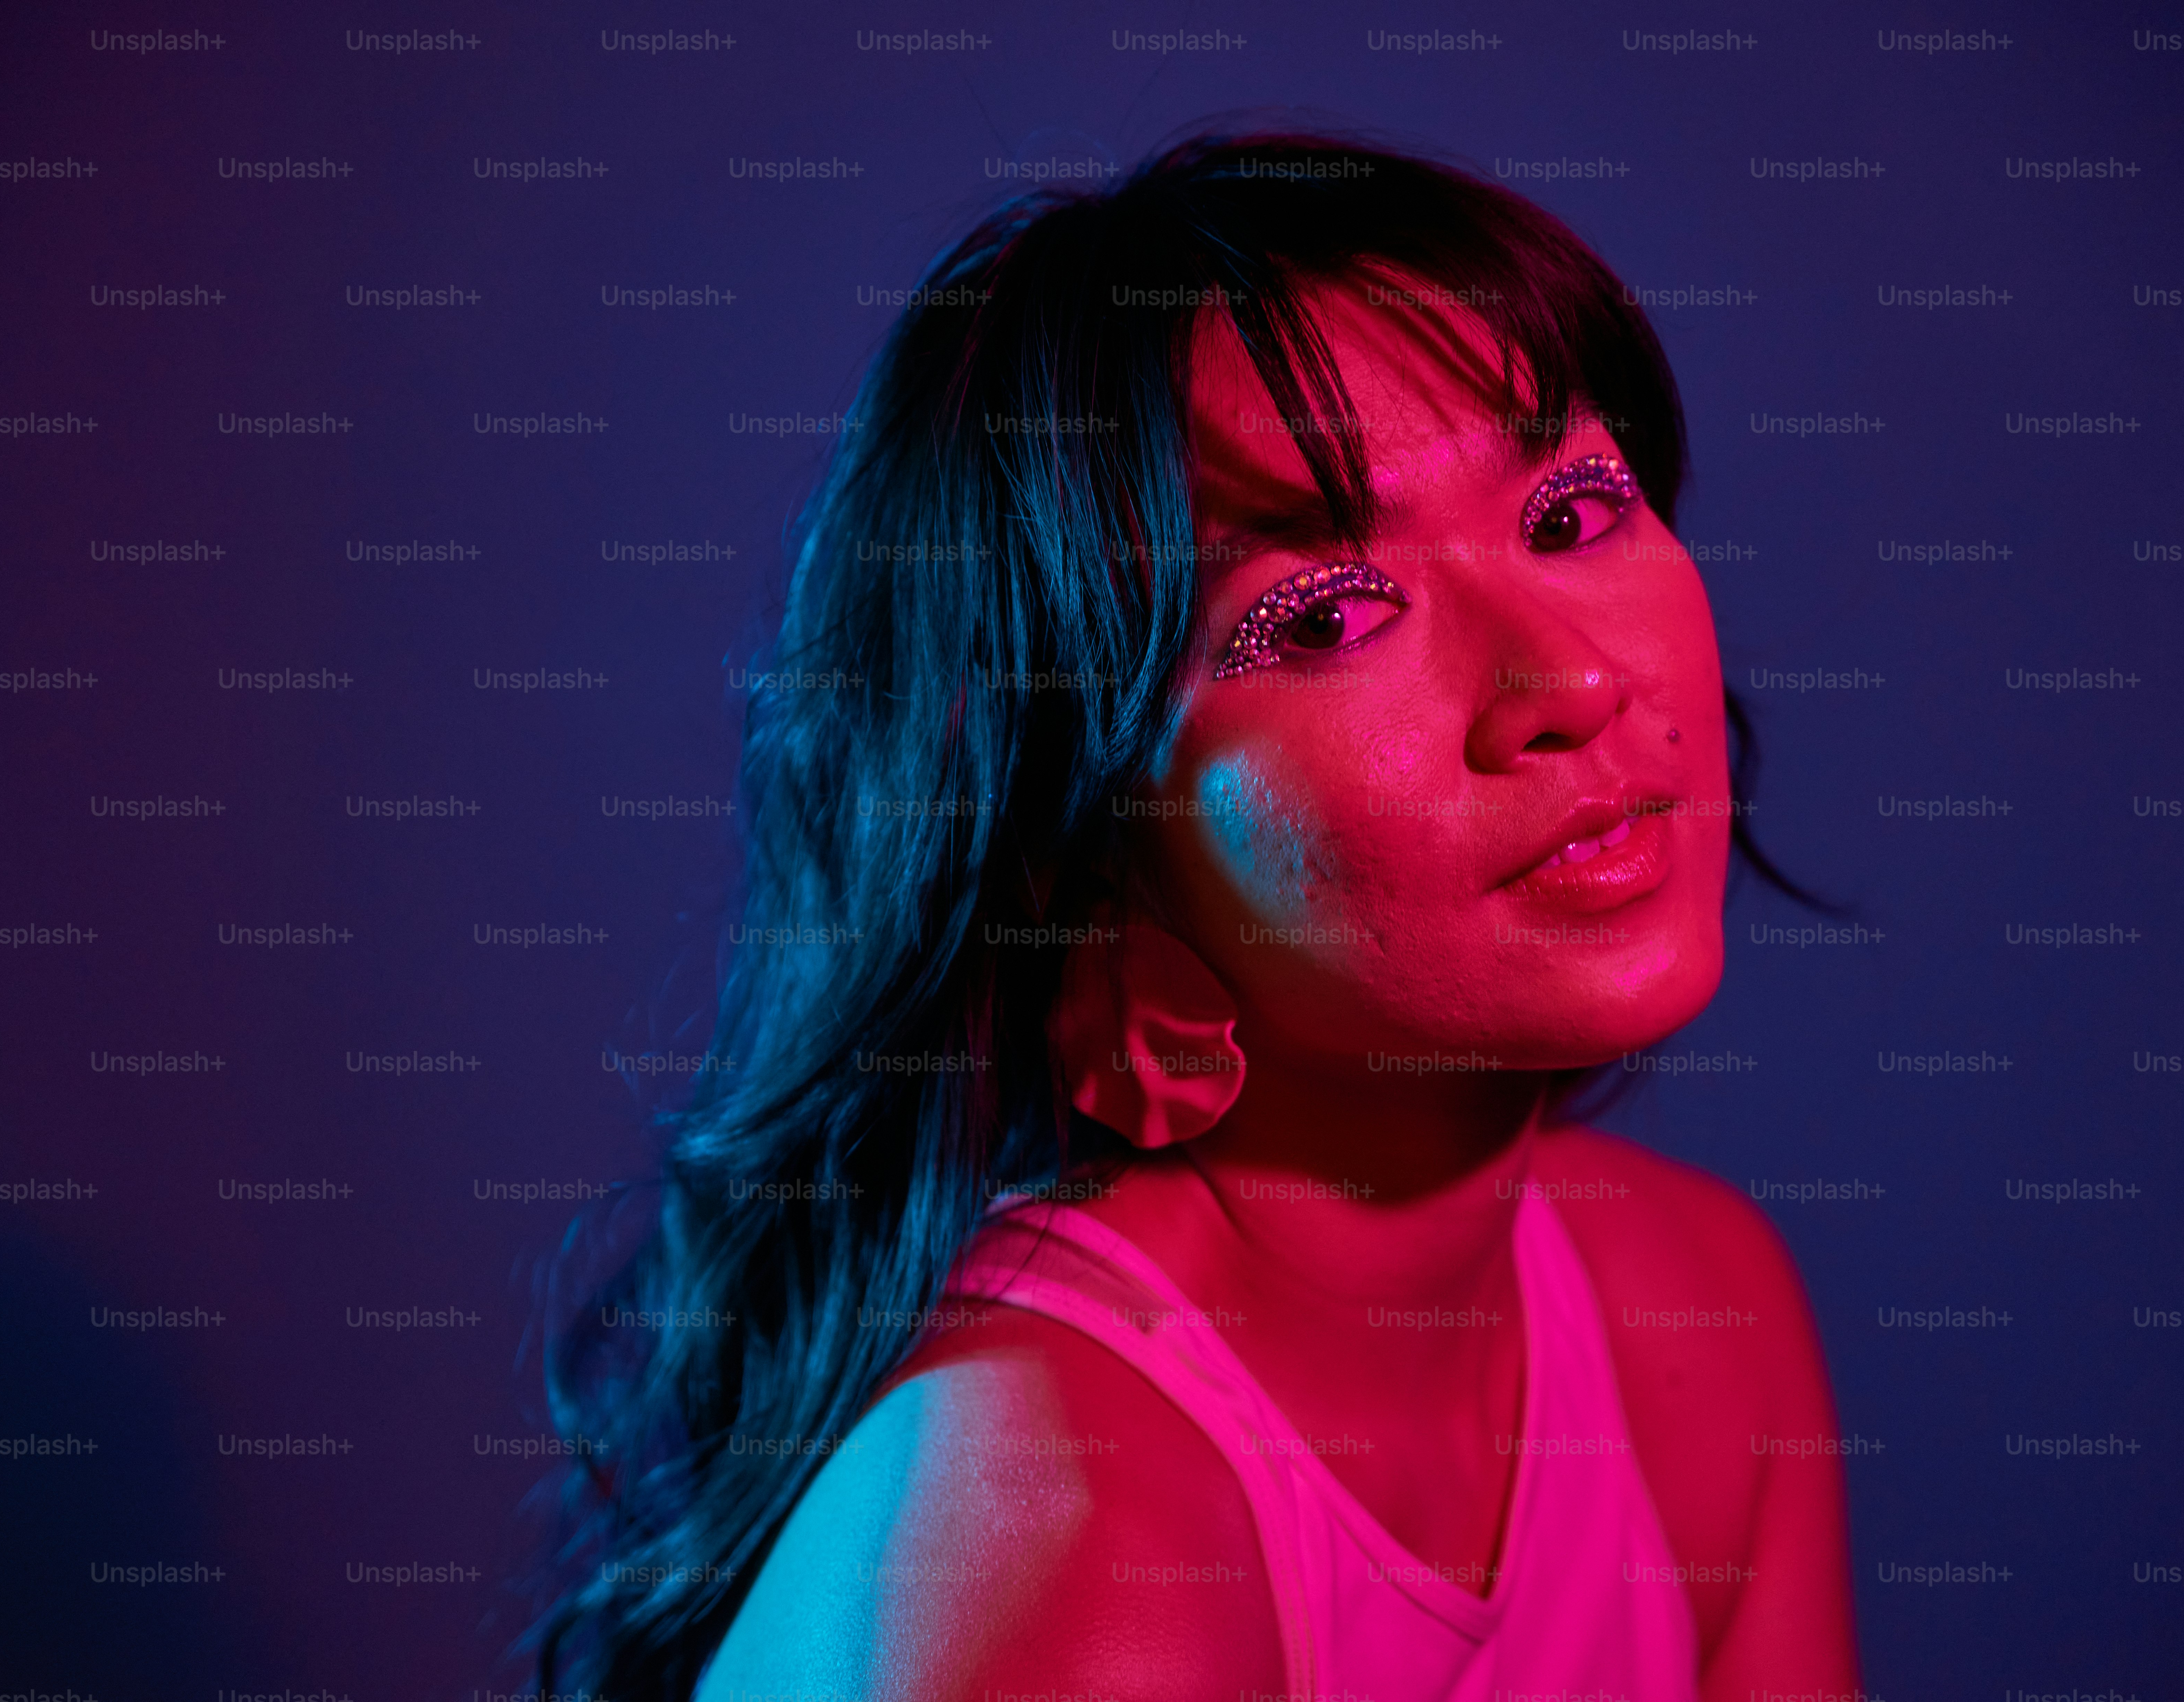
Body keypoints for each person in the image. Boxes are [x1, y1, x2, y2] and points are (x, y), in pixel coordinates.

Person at [542, 130, 1862, 1701]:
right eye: (1327, 615)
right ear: (1087, 852)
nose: (1571, 680)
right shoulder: (1074, 1545)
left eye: (1572, 513)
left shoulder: (1689, 1313)